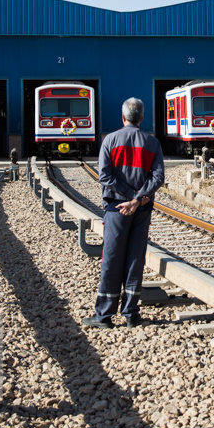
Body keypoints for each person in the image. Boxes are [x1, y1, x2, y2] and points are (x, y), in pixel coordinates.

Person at [83, 98, 164, 329]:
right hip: (141, 209)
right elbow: (158, 178)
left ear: (123, 117)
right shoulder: (152, 142)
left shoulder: (110, 140)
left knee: (112, 258)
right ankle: (130, 313)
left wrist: (129, 198)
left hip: (117, 208)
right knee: (135, 258)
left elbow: (105, 177)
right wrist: (137, 200)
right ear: (142, 118)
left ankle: (104, 315)